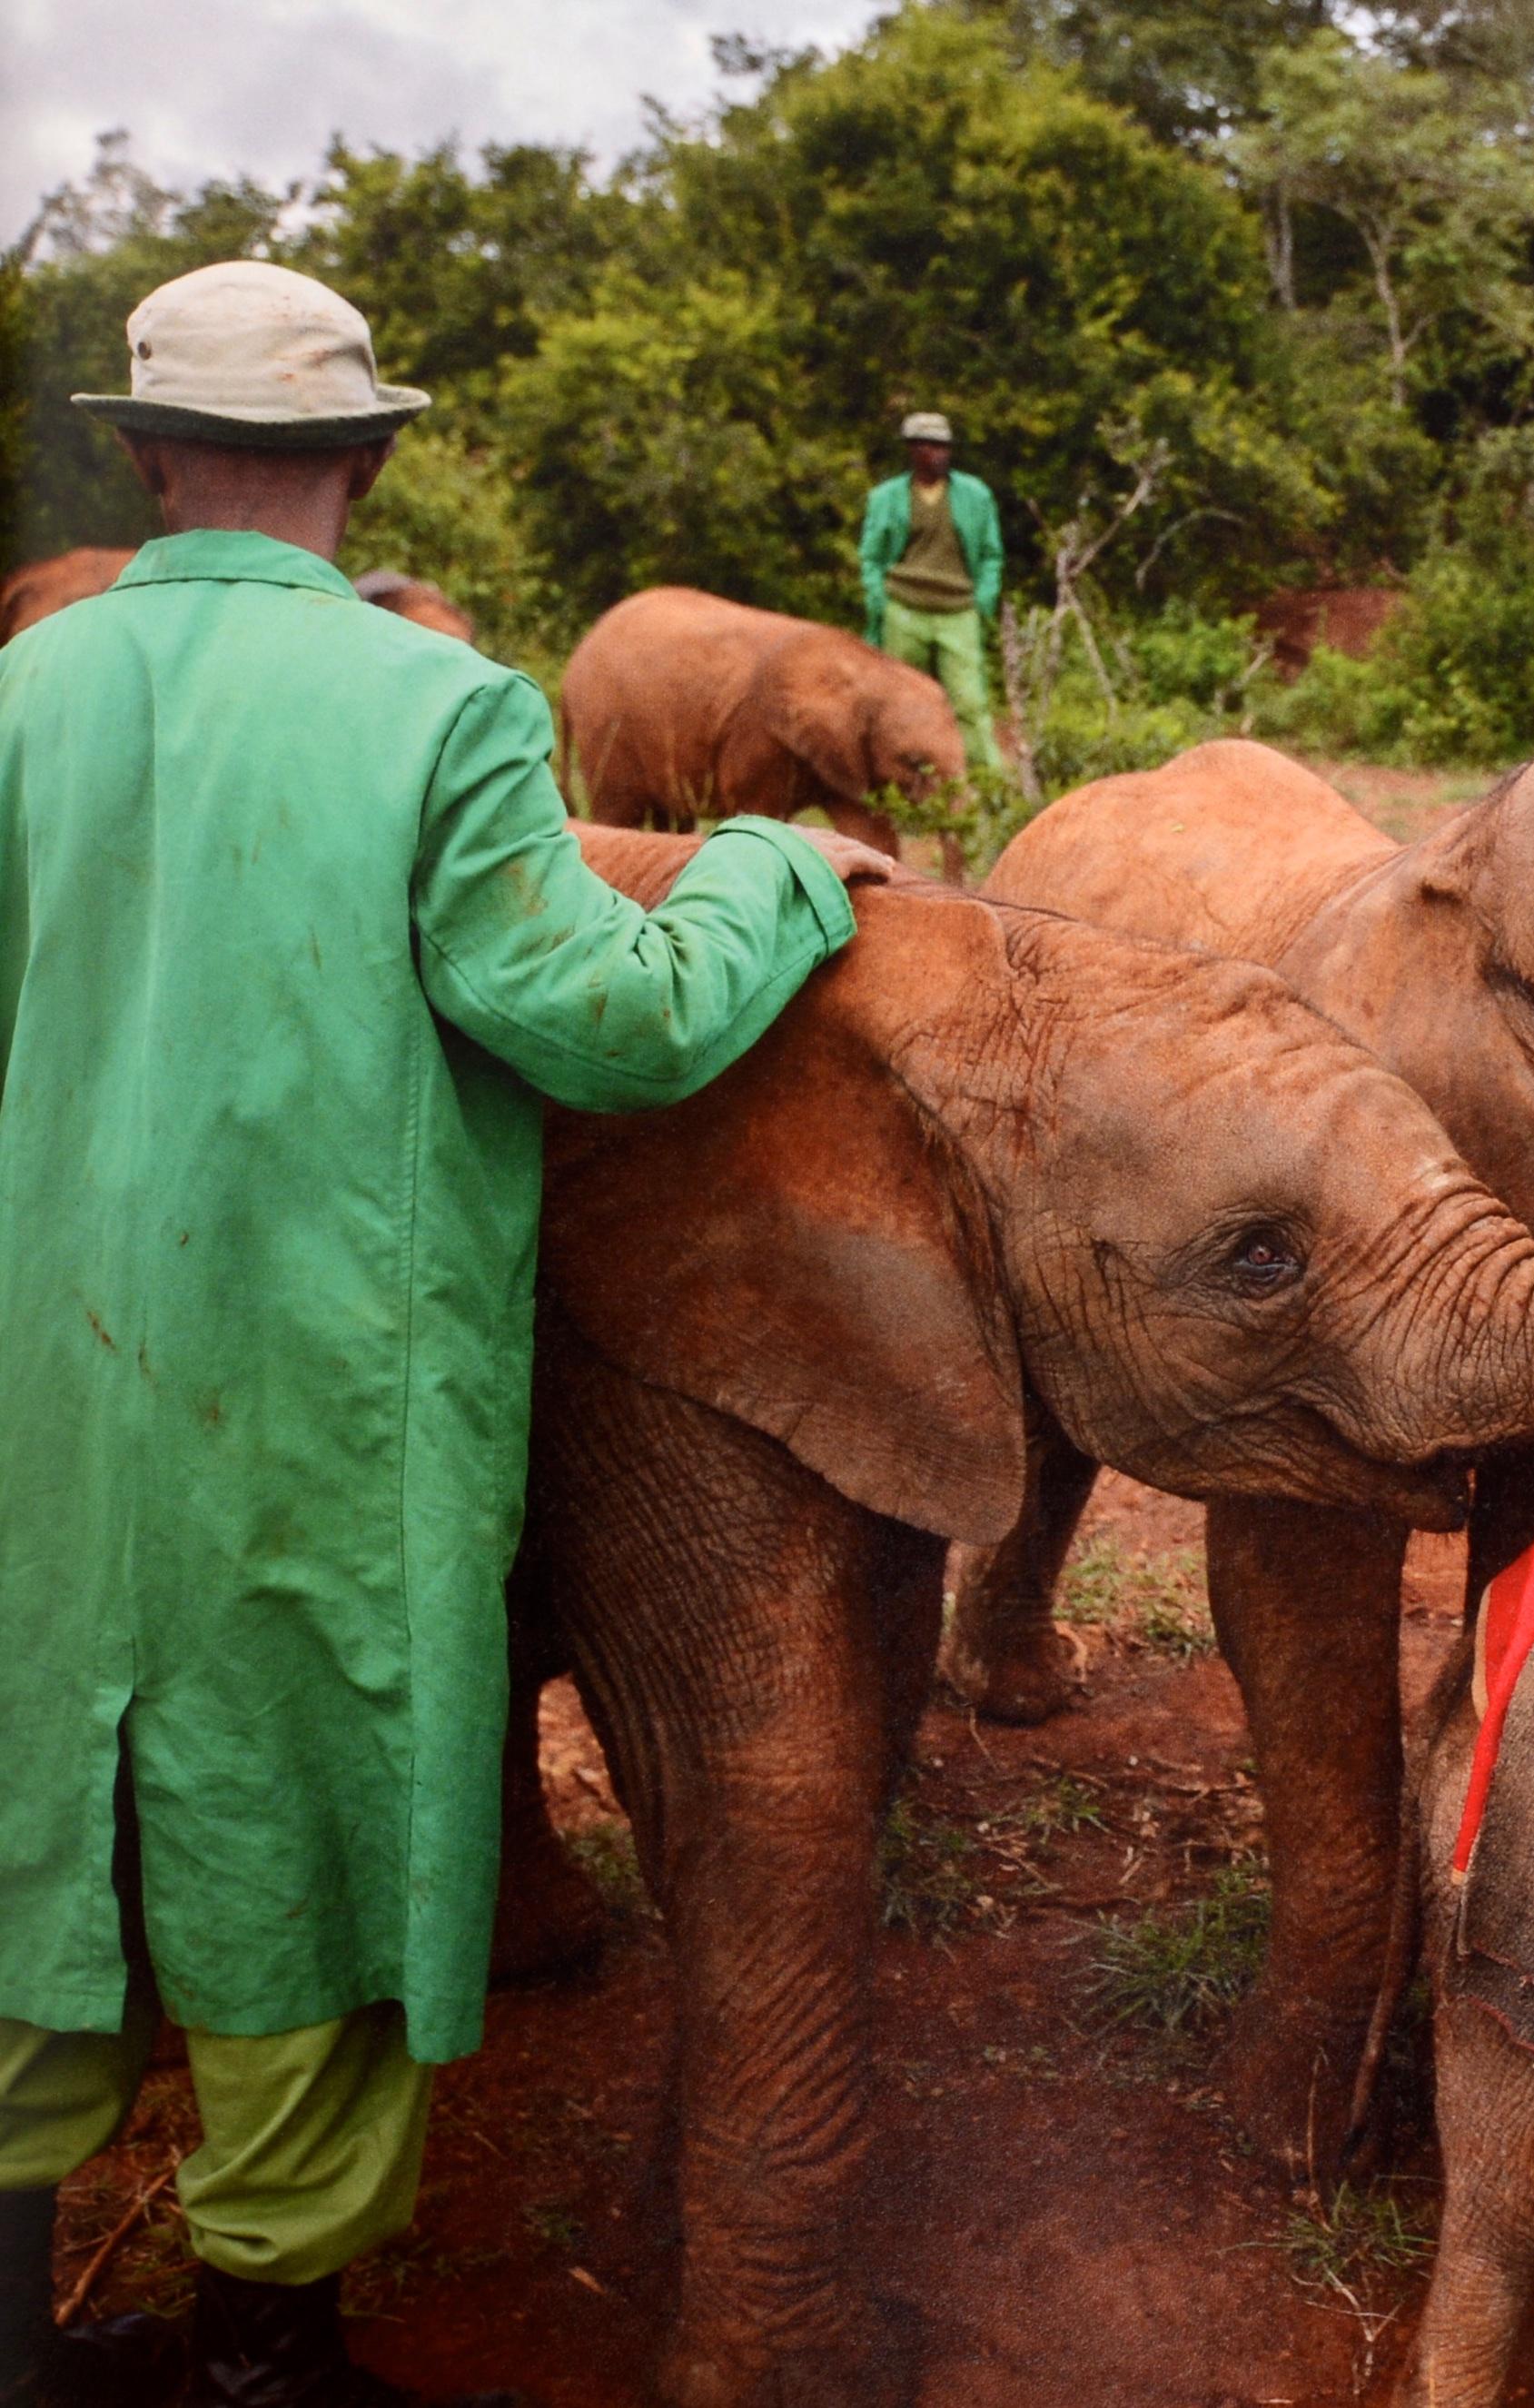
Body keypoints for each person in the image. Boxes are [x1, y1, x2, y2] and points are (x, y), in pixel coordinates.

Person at [1, 262, 878, 2408]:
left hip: (42, 1370)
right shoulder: (442, 708)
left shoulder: (22, 693)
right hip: (313, 1384)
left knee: (35, 1770)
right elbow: (611, 1011)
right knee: (304, 1798)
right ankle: (261, 2348)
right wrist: (772, 868)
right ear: (372, 456)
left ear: (139, 454)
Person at [857, 409, 1005, 777]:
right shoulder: (887, 497)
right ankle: (899, 780)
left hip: (957, 608)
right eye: (925, 446)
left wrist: (983, 599)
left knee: (968, 700)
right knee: (900, 702)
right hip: (904, 607)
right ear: (912, 450)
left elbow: (991, 553)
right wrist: (879, 598)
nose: (935, 453)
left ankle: (984, 781)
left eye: (941, 446)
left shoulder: (974, 495)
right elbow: (871, 556)